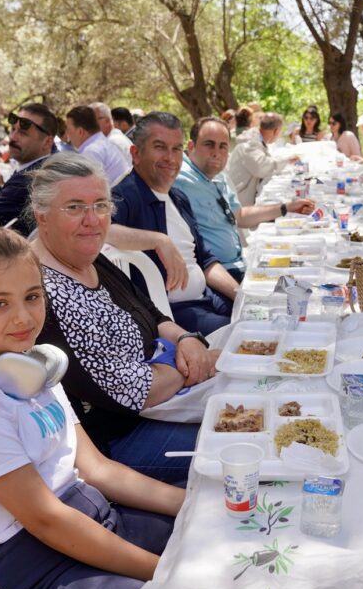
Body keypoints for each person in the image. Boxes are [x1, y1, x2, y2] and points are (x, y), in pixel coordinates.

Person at [0, 214, 186, 589]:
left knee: (213, 534)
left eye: (32, 297)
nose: (23, 317)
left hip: (86, 515)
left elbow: (98, 469)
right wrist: (168, 574)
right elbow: (46, 519)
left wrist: (194, 504)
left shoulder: (31, 363)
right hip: (25, 560)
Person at [27, 153, 218, 484]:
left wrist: (186, 339)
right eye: (74, 207)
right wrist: (187, 363)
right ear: (41, 217)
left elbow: (153, 314)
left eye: (100, 205)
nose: (92, 219)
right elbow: (131, 393)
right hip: (118, 440)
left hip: (167, 403)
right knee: (244, 448)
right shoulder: (45, 293)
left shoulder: (89, 258)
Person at [112, 113, 238, 335]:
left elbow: (206, 260)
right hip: (171, 315)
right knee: (244, 334)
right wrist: (158, 240)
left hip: (206, 298)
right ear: (136, 154)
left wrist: (239, 293)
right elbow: (99, 229)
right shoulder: (126, 194)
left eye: (176, 149)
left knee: (261, 315)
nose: (170, 158)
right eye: (160, 147)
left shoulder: (178, 197)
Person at [175, 116, 314, 282]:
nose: (216, 153)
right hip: (219, 276)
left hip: (242, 263)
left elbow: (240, 216)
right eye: (209, 144)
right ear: (191, 147)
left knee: (306, 266)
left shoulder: (218, 175)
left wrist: (286, 208)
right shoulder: (178, 178)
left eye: (223, 146)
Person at [0, 104, 57, 233]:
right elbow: (13, 206)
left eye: (23, 133)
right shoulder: (50, 162)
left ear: (47, 142)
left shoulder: (30, 178)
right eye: (13, 129)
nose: (13, 137)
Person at [226, 111, 297, 206]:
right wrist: (287, 160)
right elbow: (262, 167)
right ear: (276, 131)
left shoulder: (256, 140)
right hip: (238, 203)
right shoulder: (250, 144)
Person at [65, 106, 127, 185]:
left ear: (80, 131)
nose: (67, 133)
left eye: (68, 129)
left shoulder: (92, 151)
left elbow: (89, 188)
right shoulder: (102, 143)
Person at [90, 101, 133, 166]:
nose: (88, 125)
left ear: (107, 120)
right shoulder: (113, 138)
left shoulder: (113, 142)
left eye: (91, 120)